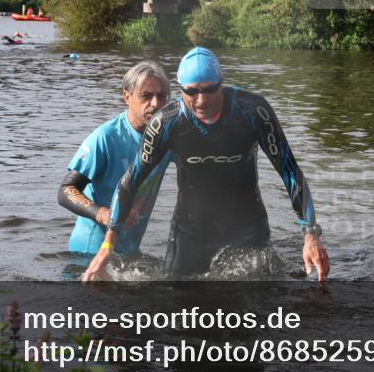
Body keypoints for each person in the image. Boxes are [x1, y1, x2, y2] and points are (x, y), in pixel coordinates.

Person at [83, 47, 330, 282]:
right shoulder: (166, 122)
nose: (201, 100)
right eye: (191, 92)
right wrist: (108, 245)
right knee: (176, 301)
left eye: (210, 90)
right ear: (180, 88)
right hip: (190, 231)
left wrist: (310, 234)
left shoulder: (252, 111)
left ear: (221, 83)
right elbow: (130, 181)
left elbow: (290, 172)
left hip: (247, 227)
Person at [60, 62, 172, 257]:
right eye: (146, 96)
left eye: (161, 96)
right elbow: (66, 190)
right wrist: (103, 213)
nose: (155, 104)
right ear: (127, 96)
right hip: (90, 251)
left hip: (129, 249)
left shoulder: (167, 137)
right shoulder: (105, 137)